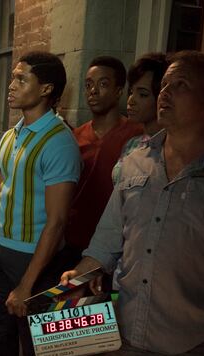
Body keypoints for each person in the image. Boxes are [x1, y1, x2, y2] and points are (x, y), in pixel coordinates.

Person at [61, 50, 204, 356]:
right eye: (164, 85)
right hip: (129, 333)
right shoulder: (134, 162)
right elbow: (106, 243)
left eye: (181, 85)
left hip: (197, 343)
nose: (165, 93)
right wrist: (82, 275)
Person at [0, 51, 81, 356]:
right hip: (1, 254)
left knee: (38, 355)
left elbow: (57, 222)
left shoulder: (59, 142)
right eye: (13, 77)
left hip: (35, 261)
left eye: (22, 79)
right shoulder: (11, 136)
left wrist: (28, 283)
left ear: (46, 88)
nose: (11, 85)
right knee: (0, 340)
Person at [65, 56, 143, 255]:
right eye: (89, 85)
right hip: (72, 240)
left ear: (119, 91)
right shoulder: (73, 138)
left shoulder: (137, 136)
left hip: (116, 244)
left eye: (103, 84)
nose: (93, 91)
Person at [112, 53, 170, 183]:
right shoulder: (132, 144)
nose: (131, 100)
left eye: (142, 94)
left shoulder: (169, 149)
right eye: (131, 92)